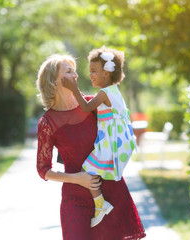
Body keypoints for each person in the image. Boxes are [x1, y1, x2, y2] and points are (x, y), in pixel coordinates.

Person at [36, 54, 146, 240]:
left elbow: (119, 123)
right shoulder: (47, 122)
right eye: (70, 72)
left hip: (110, 190)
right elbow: (43, 169)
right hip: (75, 199)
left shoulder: (93, 104)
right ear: (55, 81)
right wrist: (76, 178)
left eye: (75, 71)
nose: (77, 76)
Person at [61, 46, 137, 227]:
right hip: (118, 140)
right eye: (90, 71)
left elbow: (86, 107)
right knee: (90, 171)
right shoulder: (114, 90)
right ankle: (100, 203)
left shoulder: (104, 93)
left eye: (94, 71)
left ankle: (101, 204)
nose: (91, 75)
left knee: (87, 170)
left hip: (110, 142)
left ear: (107, 73)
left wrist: (73, 89)